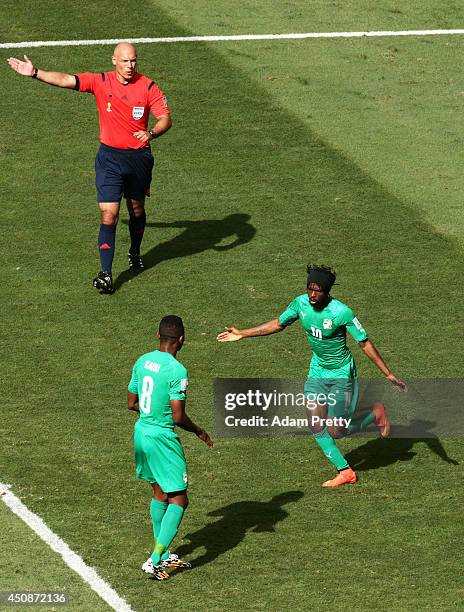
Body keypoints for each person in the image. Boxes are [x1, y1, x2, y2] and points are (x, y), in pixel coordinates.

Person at [217, 264, 407, 487]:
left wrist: (388, 374)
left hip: (340, 374)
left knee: (337, 431)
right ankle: (345, 471)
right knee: (316, 423)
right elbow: (278, 324)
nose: (313, 295)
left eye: (318, 291)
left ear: (327, 291)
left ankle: (374, 413)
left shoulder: (341, 312)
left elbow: (364, 344)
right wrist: (243, 333)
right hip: (317, 370)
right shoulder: (300, 303)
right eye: (310, 289)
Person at [7, 43, 172, 294]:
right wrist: (35, 72)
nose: (130, 66)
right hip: (109, 159)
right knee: (109, 215)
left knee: (136, 209)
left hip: (138, 158)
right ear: (114, 60)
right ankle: (106, 274)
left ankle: (135, 251)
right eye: (126, 61)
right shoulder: (100, 81)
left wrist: (150, 133)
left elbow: (165, 118)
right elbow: (66, 79)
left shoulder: (148, 86)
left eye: (134, 61)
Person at [128, 315, 213, 580]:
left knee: (160, 493)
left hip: (141, 432)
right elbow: (178, 416)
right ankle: (154, 559)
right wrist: (199, 430)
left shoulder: (142, 361)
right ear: (181, 340)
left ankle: (163, 555)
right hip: (162, 439)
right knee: (179, 499)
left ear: (158, 335)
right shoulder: (177, 371)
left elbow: (132, 402)